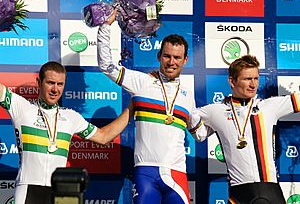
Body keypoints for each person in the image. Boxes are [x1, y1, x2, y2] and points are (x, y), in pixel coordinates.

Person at [97, 12, 207, 204]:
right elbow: (107, 66)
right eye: (167, 56)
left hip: (177, 174)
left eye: (177, 57)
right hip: (145, 172)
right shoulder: (141, 82)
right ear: (159, 56)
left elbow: (200, 134)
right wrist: (105, 27)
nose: (171, 62)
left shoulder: (188, 95)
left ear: (185, 60)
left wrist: (225, 115)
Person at [0, 61, 131, 204]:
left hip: (59, 192)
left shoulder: (71, 117)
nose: (55, 89)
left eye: (60, 84)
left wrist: (132, 107)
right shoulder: (22, 108)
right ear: (39, 82)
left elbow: (104, 137)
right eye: (50, 83)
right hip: (27, 190)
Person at [196, 55, 297, 203]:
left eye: (256, 78)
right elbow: (197, 133)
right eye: (247, 79)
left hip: (270, 190)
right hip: (239, 193)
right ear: (232, 81)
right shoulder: (215, 111)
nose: (253, 84)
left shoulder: (270, 106)